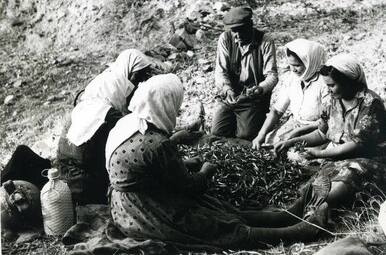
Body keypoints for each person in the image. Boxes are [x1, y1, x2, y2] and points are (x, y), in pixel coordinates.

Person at [105, 74, 330, 251]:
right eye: (175, 104)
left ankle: (286, 215)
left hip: (125, 204)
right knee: (217, 226)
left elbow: (146, 167)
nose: (177, 110)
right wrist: (206, 170)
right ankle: (300, 231)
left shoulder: (128, 123)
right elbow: (191, 187)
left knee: (215, 207)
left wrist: (187, 160)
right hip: (145, 212)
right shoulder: (157, 144)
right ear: (163, 104)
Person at [274, 53, 386, 210]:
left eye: (332, 85)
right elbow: (322, 133)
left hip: (371, 160)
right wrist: (292, 141)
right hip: (340, 159)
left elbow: (357, 145)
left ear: (348, 83)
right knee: (314, 183)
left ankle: (312, 209)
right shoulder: (332, 101)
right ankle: (301, 209)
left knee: (346, 177)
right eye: (327, 86)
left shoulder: (370, 103)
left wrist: (319, 154)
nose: (329, 90)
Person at [56, 49, 156, 205]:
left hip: (63, 178)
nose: (137, 85)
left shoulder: (85, 105)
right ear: (119, 89)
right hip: (86, 187)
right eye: (136, 78)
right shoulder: (108, 114)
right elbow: (139, 141)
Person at [211, 6, 278, 141]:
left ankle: (252, 121)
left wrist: (260, 88)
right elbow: (221, 71)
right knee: (217, 133)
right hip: (230, 95)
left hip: (253, 98)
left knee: (245, 136)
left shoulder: (265, 40)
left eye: (241, 30)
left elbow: (272, 76)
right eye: (234, 31)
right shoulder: (225, 38)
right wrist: (226, 89)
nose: (238, 35)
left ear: (250, 25)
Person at [252, 39, 329, 150]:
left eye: (297, 65)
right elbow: (277, 110)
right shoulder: (292, 78)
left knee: (301, 154)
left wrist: (298, 132)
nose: (293, 69)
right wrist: (261, 135)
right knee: (269, 142)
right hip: (295, 124)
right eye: (291, 65)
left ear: (310, 63)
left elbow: (327, 119)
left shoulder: (324, 83)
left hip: (316, 130)